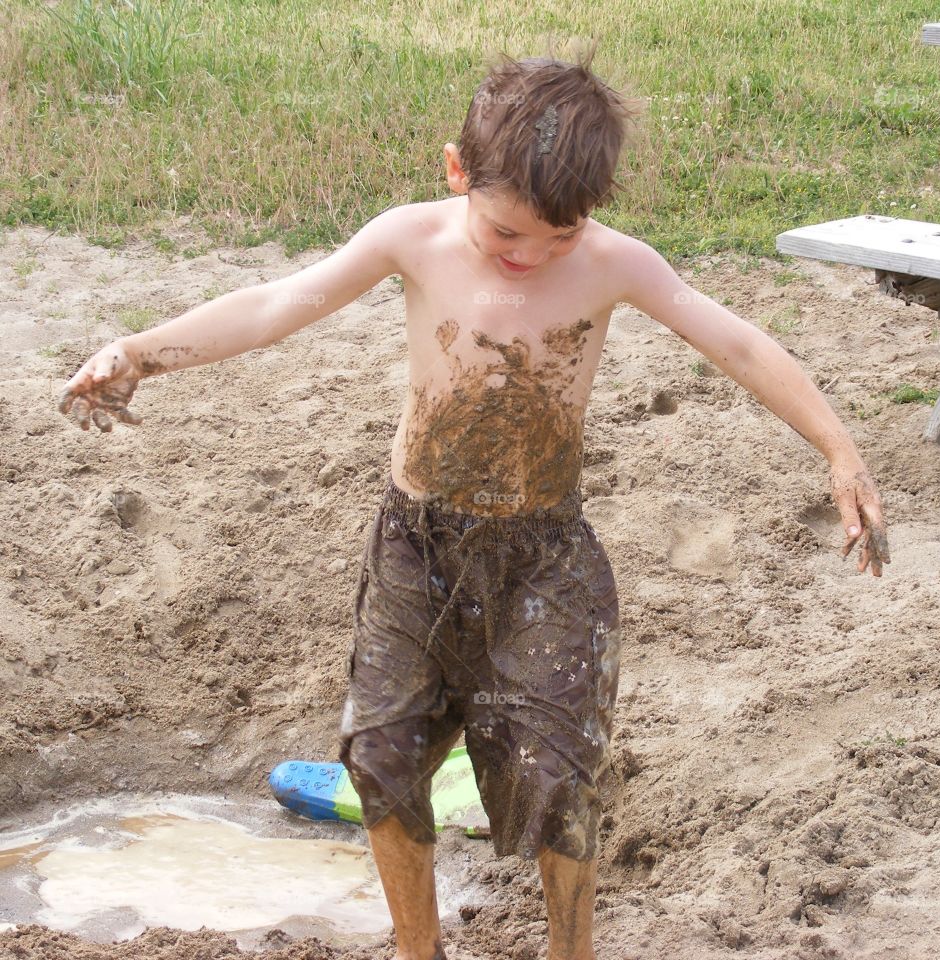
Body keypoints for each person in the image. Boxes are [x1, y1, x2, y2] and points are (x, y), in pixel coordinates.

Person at [57, 47, 891, 960]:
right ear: (457, 173)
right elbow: (274, 301)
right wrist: (137, 353)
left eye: (558, 236)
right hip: (416, 549)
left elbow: (735, 342)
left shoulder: (615, 265)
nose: (530, 255)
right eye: (506, 233)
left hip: (545, 558)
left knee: (556, 779)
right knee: (383, 763)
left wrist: (839, 448)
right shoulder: (409, 239)